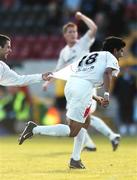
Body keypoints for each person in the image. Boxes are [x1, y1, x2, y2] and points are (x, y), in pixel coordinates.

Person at [19, 36, 126, 169]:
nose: (122, 54)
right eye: (121, 51)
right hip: (82, 88)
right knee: (73, 130)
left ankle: (75, 159)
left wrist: (95, 97)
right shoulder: (110, 57)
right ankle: (34, 129)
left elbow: (84, 77)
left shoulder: (90, 56)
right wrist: (106, 95)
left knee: (84, 122)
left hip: (71, 85)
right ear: (115, 50)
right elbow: (107, 73)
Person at [44, 11, 120, 152]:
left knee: (78, 117)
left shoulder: (83, 43)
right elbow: (58, 69)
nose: (73, 34)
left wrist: (81, 16)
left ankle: (93, 143)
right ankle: (104, 139)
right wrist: (48, 82)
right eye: (70, 32)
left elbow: (94, 29)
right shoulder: (64, 52)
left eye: (75, 31)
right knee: (83, 117)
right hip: (75, 84)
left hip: (86, 84)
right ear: (64, 35)